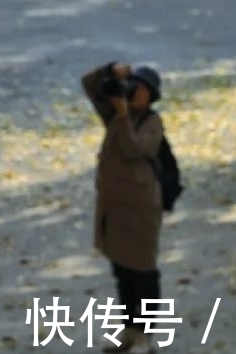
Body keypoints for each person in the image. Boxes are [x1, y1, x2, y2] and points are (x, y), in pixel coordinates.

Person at [81, 60, 165, 353]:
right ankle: (129, 329)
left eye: (142, 89)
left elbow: (134, 149)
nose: (135, 92)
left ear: (151, 95)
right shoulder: (116, 114)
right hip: (115, 207)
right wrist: (111, 71)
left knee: (143, 270)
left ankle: (146, 335)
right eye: (134, 86)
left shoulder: (152, 121)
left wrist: (123, 116)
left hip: (140, 209)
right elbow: (91, 86)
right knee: (122, 269)